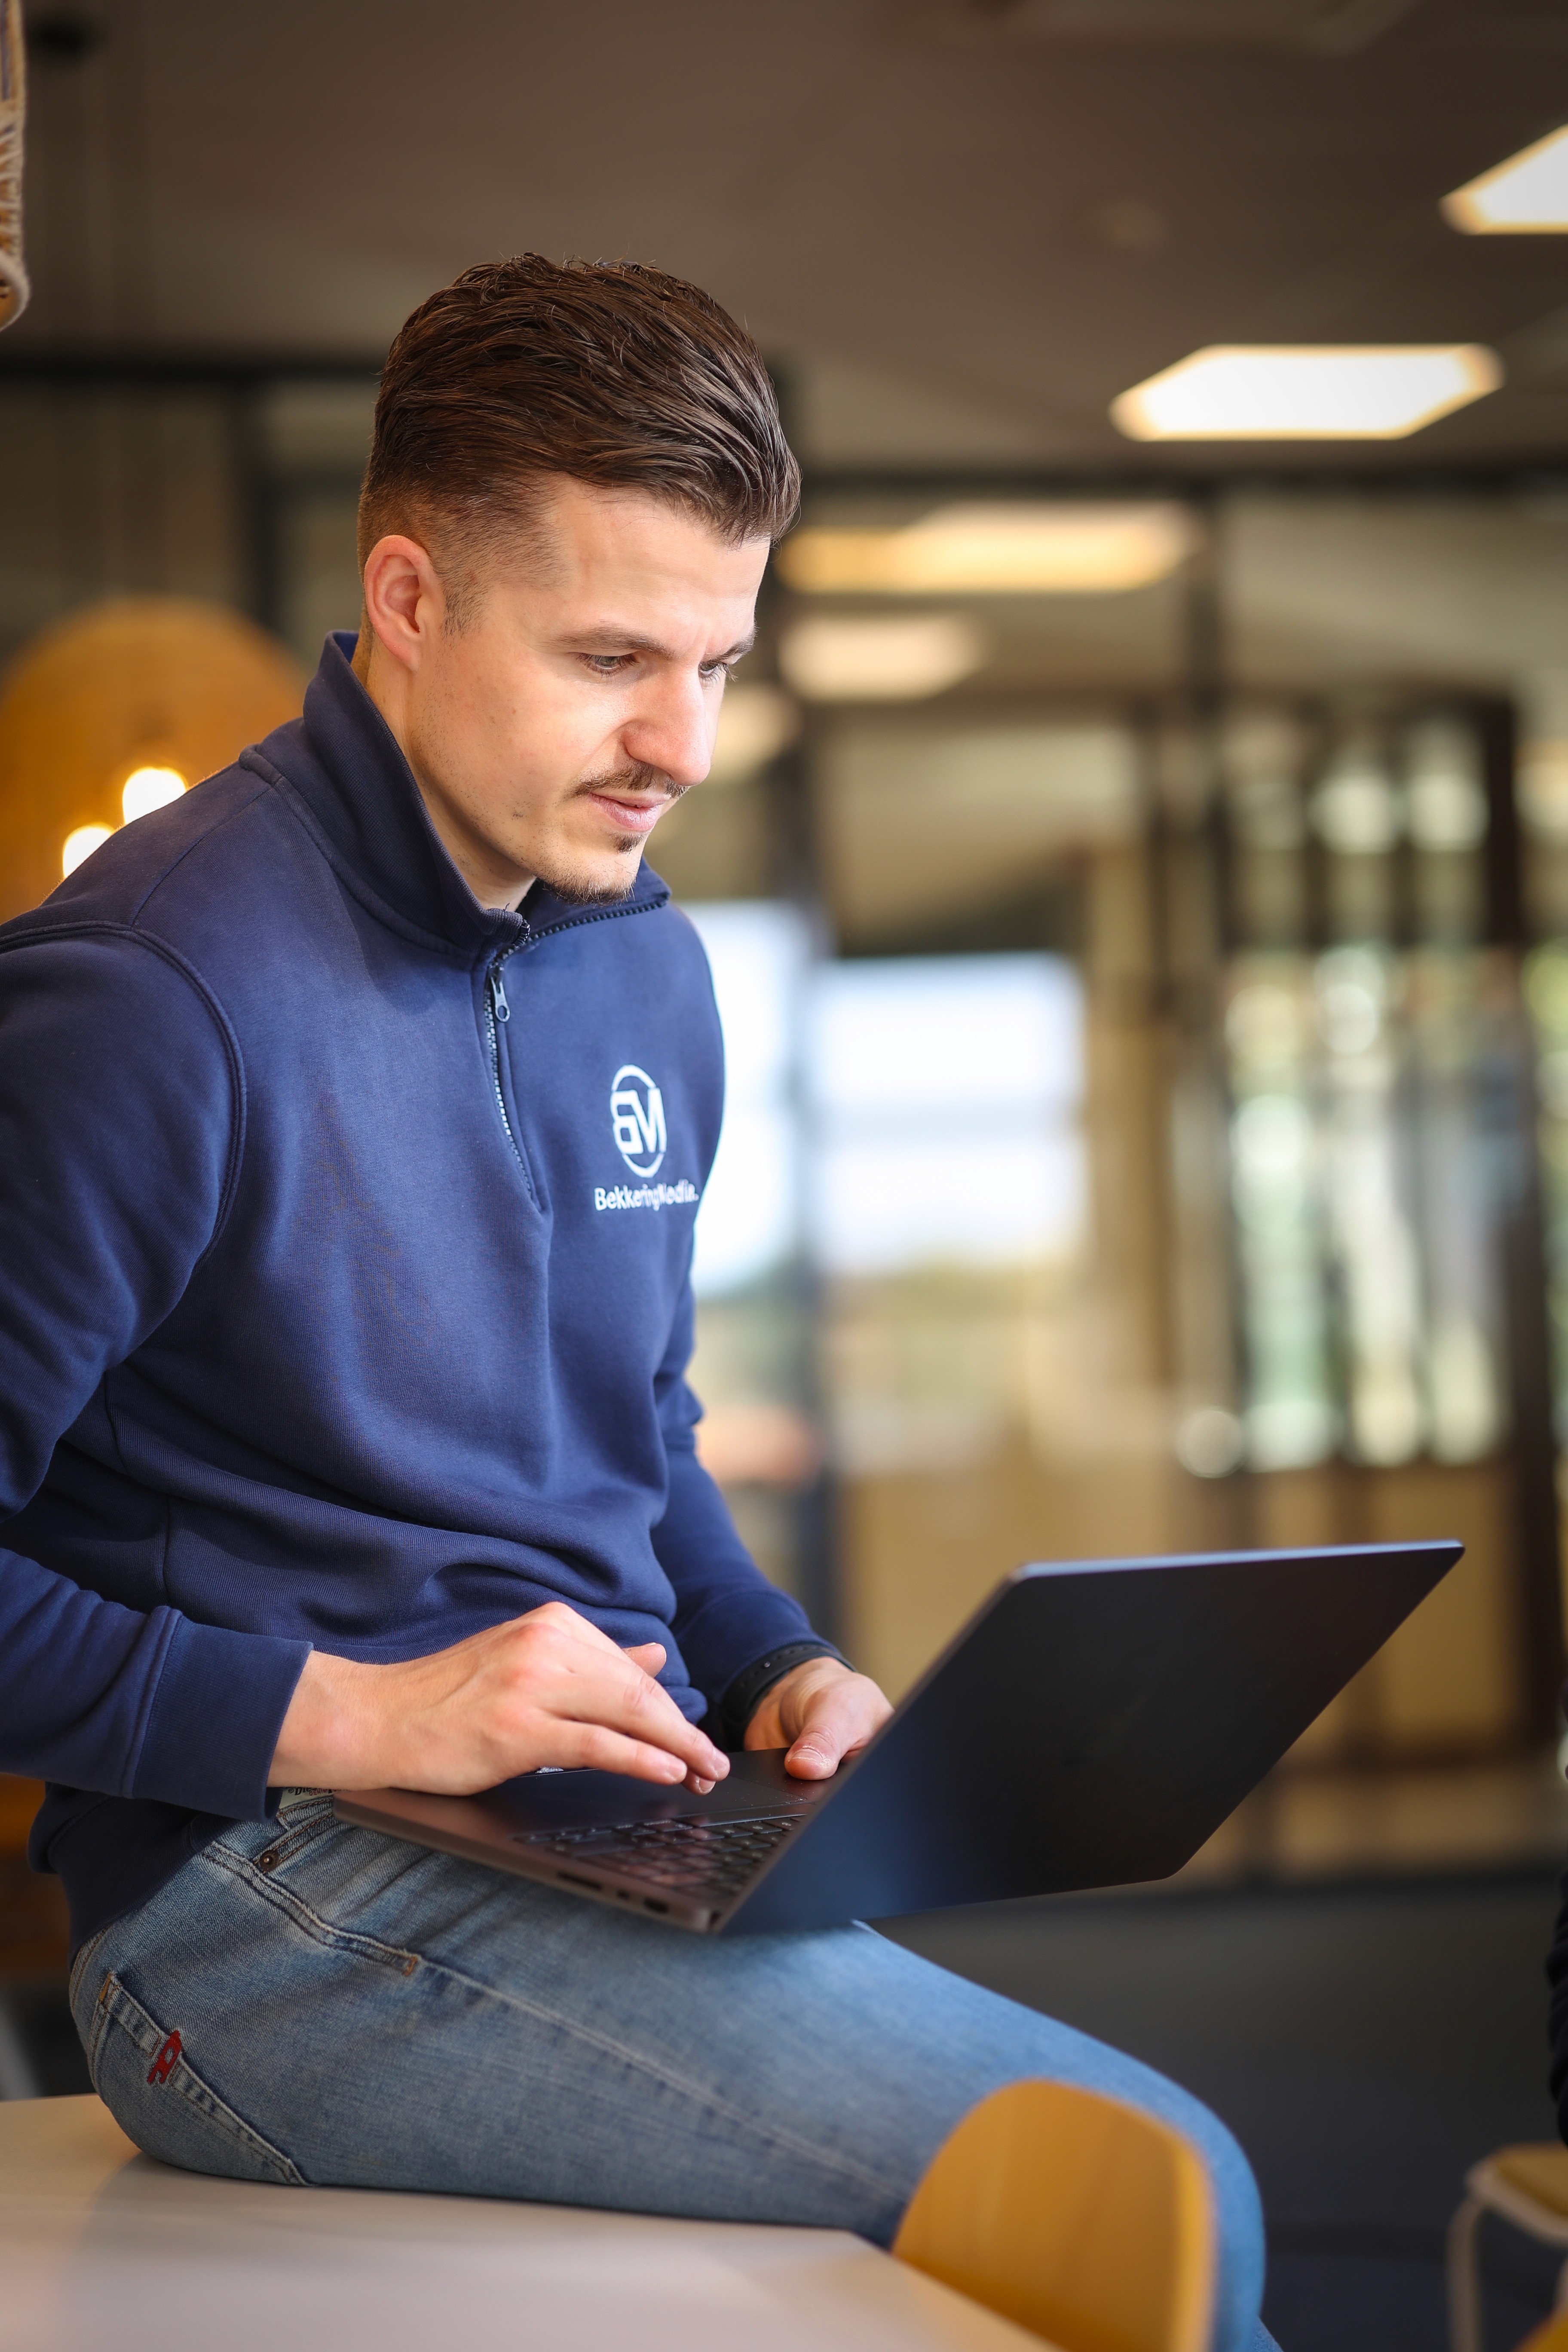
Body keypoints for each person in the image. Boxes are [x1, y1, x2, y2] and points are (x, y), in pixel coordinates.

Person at [0, 255, 1276, 2351]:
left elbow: (635, 1425)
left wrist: (771, 1660)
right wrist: (367, 1713)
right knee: (1164, 2185)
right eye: (611, 655)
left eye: (718, 658)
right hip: (253, 1906)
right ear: (408, 601)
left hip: (606, 1825)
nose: (681, 741)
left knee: (1104, 2209)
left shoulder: (643, 961)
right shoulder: (145, 1000)